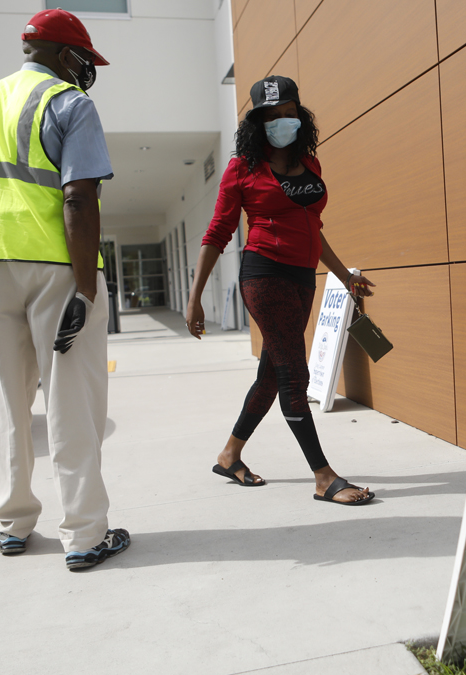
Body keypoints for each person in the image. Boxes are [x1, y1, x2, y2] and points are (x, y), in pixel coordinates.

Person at [0, 8, 130, 570]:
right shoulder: (70, 103)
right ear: (63, 53)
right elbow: (79, 198)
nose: (86, 69)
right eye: (85, 59)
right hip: (53, 266)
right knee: (72, 403)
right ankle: (85, 536)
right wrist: (86, 288)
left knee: (7, 402)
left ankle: (13, 524)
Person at [187, 75, 376, 505]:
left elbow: (314, 228)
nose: (281, 122)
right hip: (265, 277)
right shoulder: (242, 169)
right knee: (294, 374)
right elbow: (217, 233)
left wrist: (344, 275)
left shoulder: (311, 165)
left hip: (301, 279)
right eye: (270, 117)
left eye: (288, 114)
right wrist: (195, 296)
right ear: (257, 123)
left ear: (299, 116)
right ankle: (324, 476)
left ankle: (230, 454)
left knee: (271, 375)